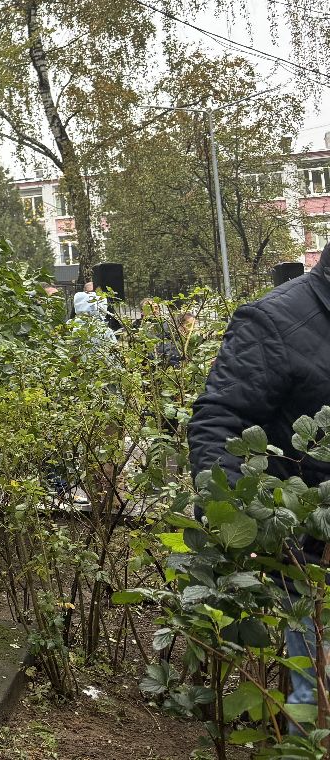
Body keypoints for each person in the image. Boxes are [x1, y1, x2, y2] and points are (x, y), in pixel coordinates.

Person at [188, 245, 330, 725]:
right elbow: (219, 423)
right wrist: (239, 526)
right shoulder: (276, 322)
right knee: (320, 698)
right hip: (315, 559)